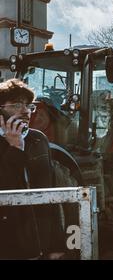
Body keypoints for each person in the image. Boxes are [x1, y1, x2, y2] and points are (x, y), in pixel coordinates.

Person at [0, 79, 65, 260]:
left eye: (28, 106)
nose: (25, 111)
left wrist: (57, 244)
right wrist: (15, 149)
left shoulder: (39, 140)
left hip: (41, 241)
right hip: (10, 244)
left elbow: (52, 193)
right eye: (16, 105)